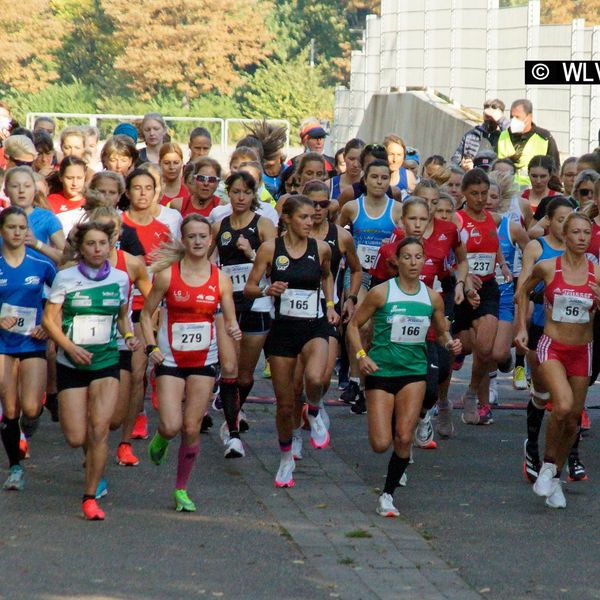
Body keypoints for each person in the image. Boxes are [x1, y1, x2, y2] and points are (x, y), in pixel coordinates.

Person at [346, 236, 462, 517]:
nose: (413, 262)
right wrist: (362, 356)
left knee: (403, 437)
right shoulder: (381, 293)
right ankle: (387, 416)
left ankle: (387, 495)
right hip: (382, 371)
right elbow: (353, 325)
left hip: (413, 373)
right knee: (380, 443)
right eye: (407, 257)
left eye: (418, 257)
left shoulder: (431, 297)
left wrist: (450, 343)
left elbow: (441, 329)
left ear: (424, 261)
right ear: (397, 261)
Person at [142, 215, 241, 511]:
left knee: (191, 426)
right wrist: (150, 347)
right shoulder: (167, 276)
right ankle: (161, 438)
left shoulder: (220, 279)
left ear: (210, 240)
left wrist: (234, 329)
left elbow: (230, 318)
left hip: (204, 359)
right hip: (171, 358)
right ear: (183, 241)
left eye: (202, 236)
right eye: (192, 237)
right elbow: (146, 314)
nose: (197, 242)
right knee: (171, 425)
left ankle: (181, 489)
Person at [42, 220, 138, 520]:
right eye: (91, 244)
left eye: (102, 244)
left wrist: (130, 336)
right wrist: (68, 348)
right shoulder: (65, 278)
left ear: (110, 246)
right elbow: (49, 320)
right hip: (72, 363)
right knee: (75, 436)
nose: (97, 249)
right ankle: (92, 466)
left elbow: (122, 317)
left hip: (107, 361)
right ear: (81, 249)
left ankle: (90, 496)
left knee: (99, 430)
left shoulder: (121, 279)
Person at [244, 195, 339, 488]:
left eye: (313, 217)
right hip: (283, 330)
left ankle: (313, 410)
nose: (311, 222)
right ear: (287, 219)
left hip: (314, 325)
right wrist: (267, 290)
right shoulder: (270, 249)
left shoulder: (321, 248)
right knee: (285, 406)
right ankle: (286, 457)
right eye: (304, 217)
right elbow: (249, 288)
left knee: (315, 376)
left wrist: (331, 305)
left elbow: (327, 277)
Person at [515, 212, 600, 509]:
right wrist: (523, 328)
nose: (580, 238)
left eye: (585, 233)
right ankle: (548, 466)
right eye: (575, 232)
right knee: (561, 405)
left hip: (582, 350)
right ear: (564, 234)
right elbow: (523, 292)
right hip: (552, 346)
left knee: (573, 420)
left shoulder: (596, 273)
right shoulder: (548, 267)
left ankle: (555, 477)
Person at [370, 197, 471, 442]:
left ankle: (424, 414)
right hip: (395, 329)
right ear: (402, 221)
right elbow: (375, 284)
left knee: (441, 373)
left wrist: (459, 289)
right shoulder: (388, 249)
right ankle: (402, 436)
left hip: (429, 323)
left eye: (422, 219)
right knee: (409, 382)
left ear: (429, 220)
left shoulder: (436, 247)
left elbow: (447, 277)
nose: (417, 224)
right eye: (412, 219)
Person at [211, 171, 277, 455]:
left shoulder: (263, 225)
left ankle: (234, 412)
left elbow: (278, 267)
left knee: (246, 377)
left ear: (254, 195)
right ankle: (233, 432)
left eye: (246, 193)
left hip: (257, 301)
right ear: (229, 193)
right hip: (227, 302)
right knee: (229, 368)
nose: (240, 198)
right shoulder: (219, 225)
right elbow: (205, 257)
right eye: (235, 192)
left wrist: (252, 254)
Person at [515, 197, 574, 483]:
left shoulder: (583, 253)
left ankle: (569, 454)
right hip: (541, 327)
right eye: (561, 220)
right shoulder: (537, 247)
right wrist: (520, 327)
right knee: (543, 394)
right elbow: (522, 292)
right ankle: (532, 446)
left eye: (570, 220)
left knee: (569, 401)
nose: (567, 226)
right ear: (549, 220)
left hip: (574, 334)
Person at [338, 160, 403, 410]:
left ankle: (365, 385)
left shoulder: (397, 210)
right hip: (359, 273)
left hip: (385, 276)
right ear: (365, 180)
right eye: (374, 177)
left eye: (384, 178)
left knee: (375, 330)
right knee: (360, 324)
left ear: (389, 182)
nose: (379, 182)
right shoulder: (352, 208)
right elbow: (338, 235)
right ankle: (355, 379)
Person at [0, 207, 56, 490]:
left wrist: (49, 324)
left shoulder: (40, 263)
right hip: (2, 343)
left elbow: (61, 295)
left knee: (31, 407)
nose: (17, 233)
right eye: (11, 227)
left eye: (22, 228)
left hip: (31, 339)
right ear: (2, 231)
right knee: (9, 407)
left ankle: (30, 420)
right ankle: (15, 468)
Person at [453, 168, 512, 426]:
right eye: (474, 193)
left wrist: (503, 265)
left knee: (486, 349)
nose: (480, 198)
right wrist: (463, 277)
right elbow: (448, 254)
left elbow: (494, 243)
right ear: (464, 193)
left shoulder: (494, 219)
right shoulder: (456, 220)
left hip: (487, 287)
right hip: (460, 290)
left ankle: (471, 394)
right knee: (464, 346)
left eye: (484, 193)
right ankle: (440, 402)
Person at [121, 169, 171, 442]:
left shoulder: (162, 231)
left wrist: (161, 308)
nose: (142, 193)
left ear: (155, 193)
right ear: (127, 192)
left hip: (147, 305)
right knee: (127, 370)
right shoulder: (117, 226)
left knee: (138, 368)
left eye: (148, 188)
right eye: (136, 188)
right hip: (119, 306)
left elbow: (168, 271)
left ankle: (138, 413)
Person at [4, 166, 66, 264]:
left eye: (27, 186)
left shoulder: (47, 218)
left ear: (35, 190)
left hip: (40, 276)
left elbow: (65, 258)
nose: (21, 190)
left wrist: (37, 244)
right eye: (15, 186)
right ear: (5, 192)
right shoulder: (2, 219)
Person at [496, 99, 560, 188]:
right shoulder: (503, 136)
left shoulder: (544, 137)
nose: (513, 120)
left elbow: (554, 171)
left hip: (534, 191)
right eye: (511, 117)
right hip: (508, 192)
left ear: (529, 117)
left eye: (517, 117)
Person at [451, 99, 509, 170]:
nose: (489, 119)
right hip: (474, 176)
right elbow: (455, 161)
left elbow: (515, 136)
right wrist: (463, 166)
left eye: (492, 116)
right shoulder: (471, 135)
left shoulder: (505, 136)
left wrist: (501, 120)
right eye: (487, 116)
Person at [46, 156, 87, 234]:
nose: (75, 183)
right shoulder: (50, 202)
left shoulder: (91, 202)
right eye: (69, 178)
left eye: (79, 178)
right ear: (61, 177)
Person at [158, 143, 190, 207]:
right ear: (159, 163)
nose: (172, 167)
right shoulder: (154, 189)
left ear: (182, 163)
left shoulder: (189, 189)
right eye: (167, 163)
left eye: (176, 163)